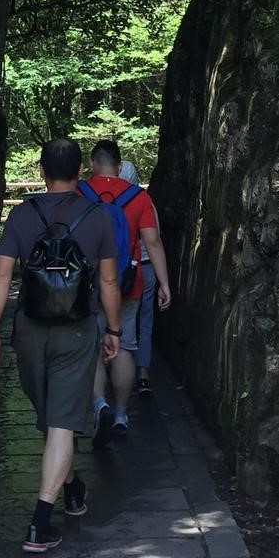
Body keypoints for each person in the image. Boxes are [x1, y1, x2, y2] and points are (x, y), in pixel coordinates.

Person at [0, 137, 123, 554]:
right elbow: (110, 281)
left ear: (42, 171)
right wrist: (113, 330)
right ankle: (52, 510)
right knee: (58, 420)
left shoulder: (22, 216)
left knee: (52, 417)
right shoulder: (97, 217)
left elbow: (2, 276)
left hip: (30, 328)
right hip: (76, 330)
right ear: (81, 172)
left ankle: (56, 504)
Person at [80, 139, 171, 444]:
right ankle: (120, 413)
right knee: (125, 346)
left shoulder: (80, 193)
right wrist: (164, 282)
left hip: (88, 285)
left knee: (93, 347)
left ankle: (98, 404)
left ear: (92, 164)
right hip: (127, 285)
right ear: (120, 167)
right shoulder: (139, 197)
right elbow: (153, 242)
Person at [119, 159, 157, 395]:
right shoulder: (145, 201)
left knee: (118, 321)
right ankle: (142, 374)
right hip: (146, 267)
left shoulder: (106, 200)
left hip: (117, 269)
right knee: (145, 321)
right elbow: (155, 240)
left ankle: (116, 370)